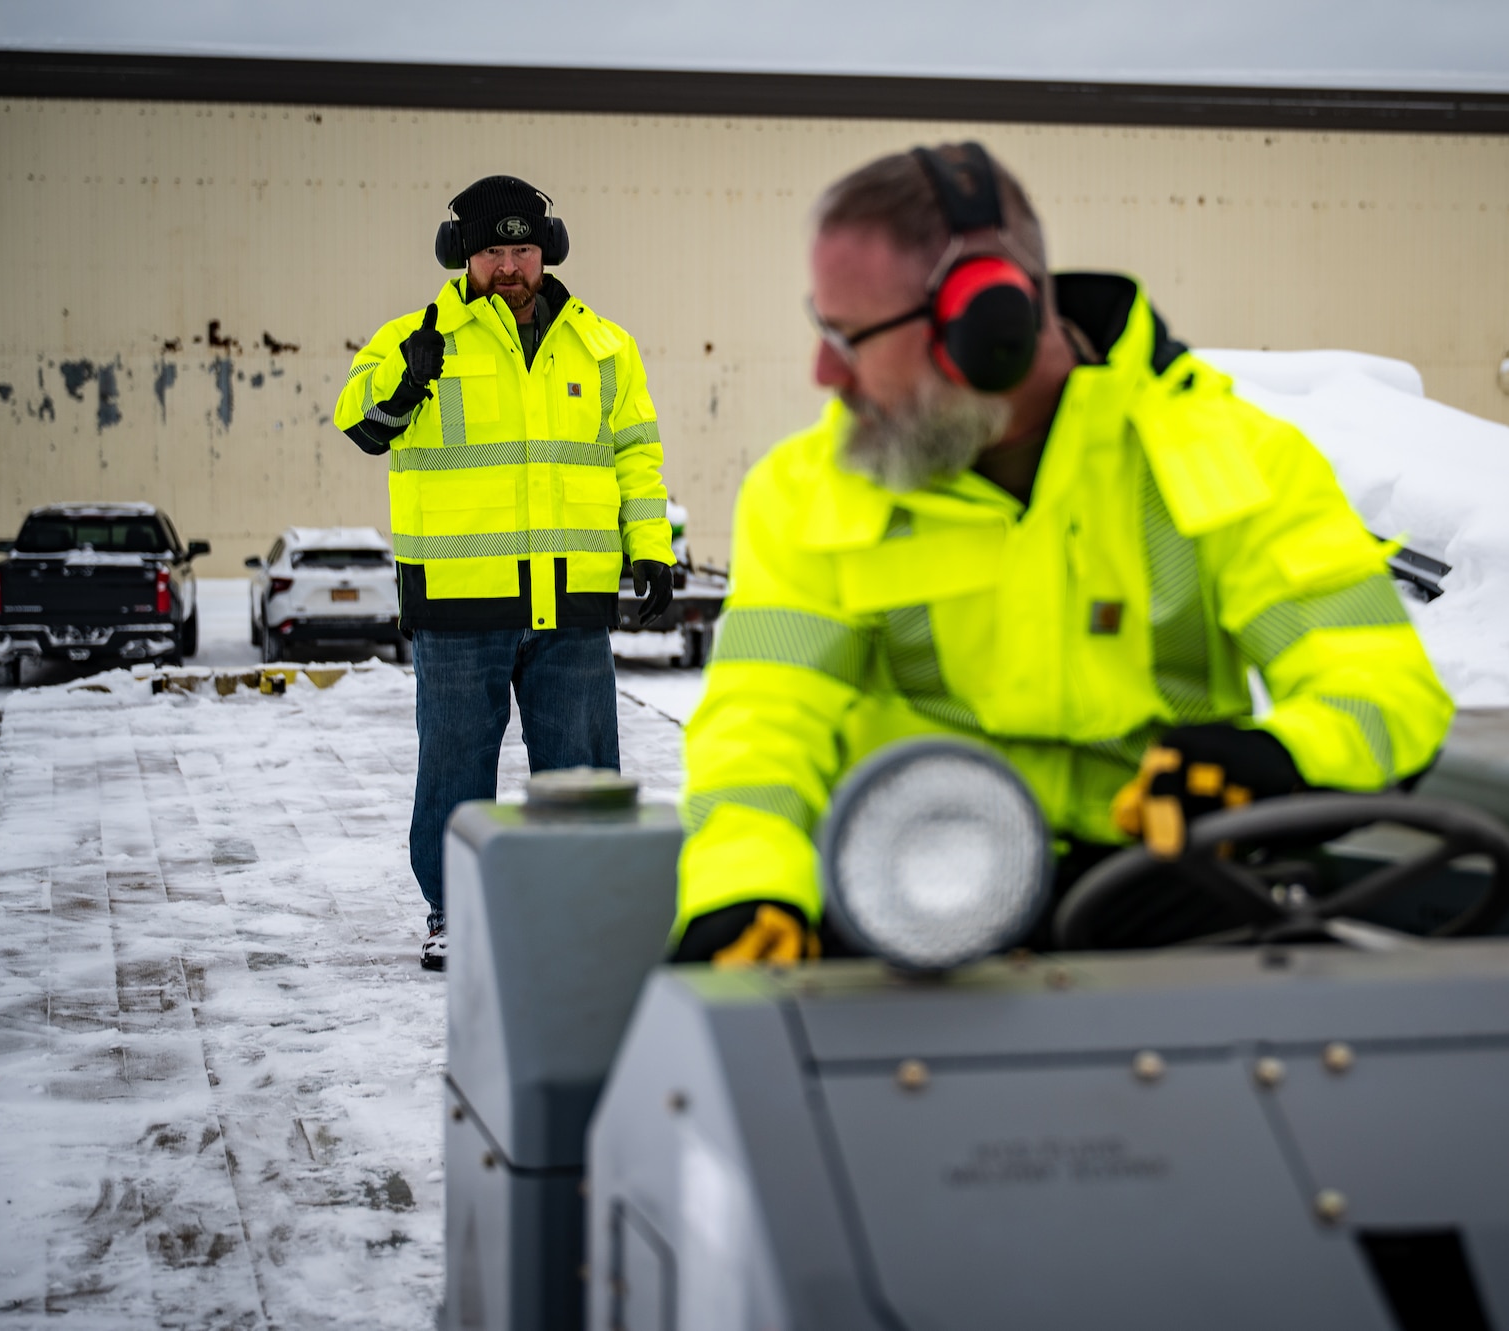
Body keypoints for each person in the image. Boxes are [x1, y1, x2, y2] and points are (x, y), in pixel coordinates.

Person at [671, 142, 1452, 964]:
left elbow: (1382, 688)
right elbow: (762, 728)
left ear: (985, 329)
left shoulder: (1234, 462)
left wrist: (1281, 760)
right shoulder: (808, 489)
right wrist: (746, 889)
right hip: (905, 905)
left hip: (1164, 904)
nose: (824, 370)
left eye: (848, 334)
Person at [336, 175, 674, 970]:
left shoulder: (604, 346)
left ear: (547, 248)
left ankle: (585, 911)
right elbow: (362, 422)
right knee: (455, 765)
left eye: (523, 248)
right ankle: (455, 911)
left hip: (572, 600)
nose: (510, 265)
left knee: (585, 772)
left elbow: (636, 455)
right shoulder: (417, 337)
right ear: (462, 254)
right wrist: (406, 379)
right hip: (460, 604)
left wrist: (650, 545)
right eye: (493, 250)